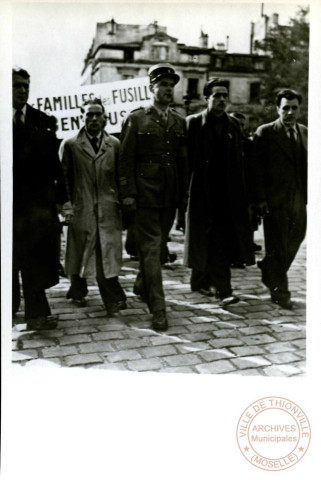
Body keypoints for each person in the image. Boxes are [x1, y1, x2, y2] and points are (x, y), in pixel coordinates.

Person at [119, 63, 188, 331]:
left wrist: (183, 195)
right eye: (163, 85)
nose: (168, 90)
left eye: (171, 85)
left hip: (169, 196)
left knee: (157, 249)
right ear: (152, 88)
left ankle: (140, 283)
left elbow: (183, 163)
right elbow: (125, 159)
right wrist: (128, 193)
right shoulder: (136, 119)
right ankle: (158, 308)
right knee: (150, 248)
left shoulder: (179, 121)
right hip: (145, 195)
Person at [184, 78, 255, 306]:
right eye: (217, 95)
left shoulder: (233, 126)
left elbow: (239, 163)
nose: (222, 99)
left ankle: (219, 287)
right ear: (207, 98)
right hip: (201, 192)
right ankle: (215, 286)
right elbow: (185, 161)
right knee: (206, 238)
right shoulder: (193, 123)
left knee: (220, 241)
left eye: (225, 95)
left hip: (227, 195)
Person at [12, 67, 67, 330]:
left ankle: (36, 315)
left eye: (26, 86)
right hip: (7, 206)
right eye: (16, 86)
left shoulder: (41, 120)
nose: (23, 90)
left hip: (34, 208)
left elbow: (54, 165)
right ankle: (10, 308)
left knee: (34, 260)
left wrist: (62, 199)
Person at [60, 98, 126, 315]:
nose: (94, 118)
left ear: (106, 118)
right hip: (82, 207)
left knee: (107, 253)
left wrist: (123, 204)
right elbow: (64, 180)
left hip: (108, 208)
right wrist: (67, 207)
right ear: (82, 117)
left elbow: (120, 176)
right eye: (89, 114)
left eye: (98, 114)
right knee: (80, 250)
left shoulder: (114, 144)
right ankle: (77, 288)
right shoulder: (70, 145)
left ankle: (112, 297)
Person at [251, 89, 307, 309]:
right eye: (286, 108)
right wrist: (260, 199)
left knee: (297, 238)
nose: (290, 112)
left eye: (294, 108)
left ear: (299, 109)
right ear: (277, 109)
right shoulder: (265, 132)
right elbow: (255, 168)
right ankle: (280, 292)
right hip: (274, 201)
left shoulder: (304, 132)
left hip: (298, 198)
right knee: (278, 246)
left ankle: (269, 268)